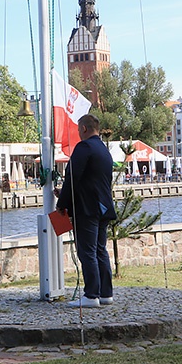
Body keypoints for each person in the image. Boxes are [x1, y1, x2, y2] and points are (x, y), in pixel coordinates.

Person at [56, 114, 118, 308]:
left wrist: (62, 204)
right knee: (100, 250)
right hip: (103, 207)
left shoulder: (83, 148)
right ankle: (106, 293)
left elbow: (72, 178)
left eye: (77, 130)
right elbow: (93, 180)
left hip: (87, 209)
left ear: (83, 128)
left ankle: (91, 295)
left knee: (87, 251)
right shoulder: (104, 150)